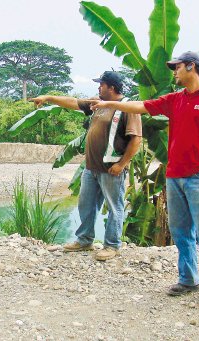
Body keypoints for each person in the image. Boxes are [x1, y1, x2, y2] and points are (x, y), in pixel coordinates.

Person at [90, 52, 199, 310]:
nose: (173, 72)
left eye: (176, 67)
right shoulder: (174, 100)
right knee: (181, 232)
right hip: (174, 175)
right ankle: (188, 280)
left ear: (191, 67)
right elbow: (142, 106)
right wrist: (112, 105)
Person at [30, 71, 142, 261]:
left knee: (115, 207)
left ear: (112, 87)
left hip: (111, 169)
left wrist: (122, 164)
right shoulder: (97, 104)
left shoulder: (127, 108)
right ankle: (84, 240)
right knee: (86, 205)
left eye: (101, 85)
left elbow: (136, 140)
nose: (98, 87)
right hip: (91, 168)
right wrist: (48, 97)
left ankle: (112, 245)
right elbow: (73, 102)